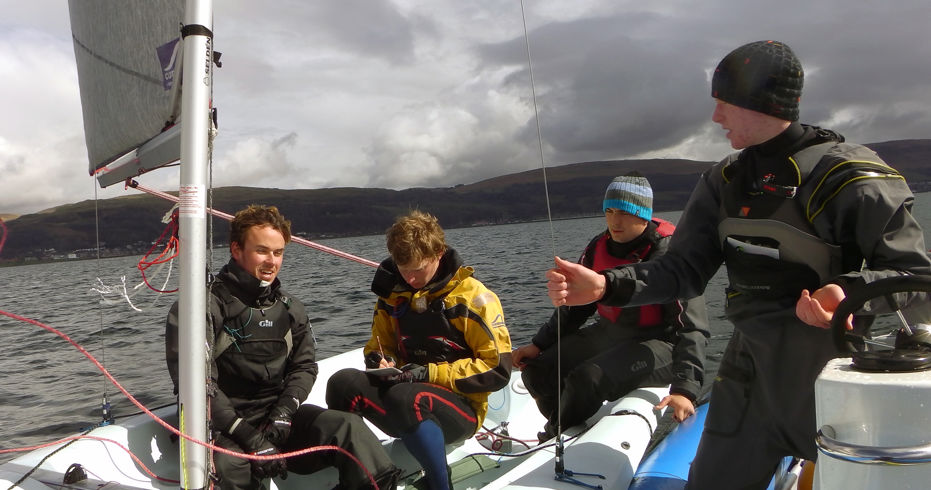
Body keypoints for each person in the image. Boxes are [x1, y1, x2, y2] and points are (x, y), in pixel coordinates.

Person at [544, 40, 931, 489]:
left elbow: (915, 278)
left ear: (761, 102)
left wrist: (846, 291)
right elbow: (684, 269)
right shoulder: (723, 180)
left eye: (724, 103)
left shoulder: (852, 178)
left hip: (829, 375)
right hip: (747, 374)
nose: (716, 117)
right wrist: (606, 287)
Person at [165, 205, 400, 490]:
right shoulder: (201, 307)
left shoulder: (289, 308)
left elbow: (304, 366)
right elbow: (197, 386)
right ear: (236, 249)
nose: (271, 261)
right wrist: (251, 439)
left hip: (277, 420)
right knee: (229, 467)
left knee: (348, 427)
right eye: (262, 251)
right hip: (225, 428)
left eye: (278, 253)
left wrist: (285, 412)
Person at [512, 173, 709, 441]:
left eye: (626, 212)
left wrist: (685, 388)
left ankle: (554, 436)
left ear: (644, 214)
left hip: (663, 343)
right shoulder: (597, 248)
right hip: (613, 333)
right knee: (538, 371)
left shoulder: (670, 254)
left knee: (587, 379)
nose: (615, 221)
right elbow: (576, 308)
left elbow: (693, 326)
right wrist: (538, 344)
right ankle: (568, 426)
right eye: (610, 211)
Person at [326, 210, 512, 490]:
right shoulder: (392, 297)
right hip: (405, 393)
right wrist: (379, 359)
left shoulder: (474, 298)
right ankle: (364, 476)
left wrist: (427, 373)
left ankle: (440, 484)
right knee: (341, 383)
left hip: (460, 410)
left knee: (406, 397)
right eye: (404, 270)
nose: (411, 279)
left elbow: (496, 369)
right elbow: (379, 344)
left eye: (418, 269)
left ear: (439, 253)